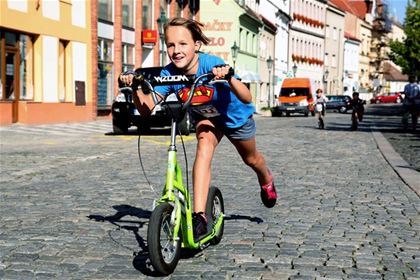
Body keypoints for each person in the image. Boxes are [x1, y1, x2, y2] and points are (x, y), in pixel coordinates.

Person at [119, 17, 277, 239]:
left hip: (235, 118)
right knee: (203, 147)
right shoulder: (169, 73)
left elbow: (246, 97)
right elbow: (147, 108)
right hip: (207, 118)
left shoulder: (210, 64)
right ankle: (200, 216)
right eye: (171, 45)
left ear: (196, 45)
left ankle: (266, 179)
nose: (176, 50)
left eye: (183, 44)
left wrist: (229, 77)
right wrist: (135, 88)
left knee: (252, 160)